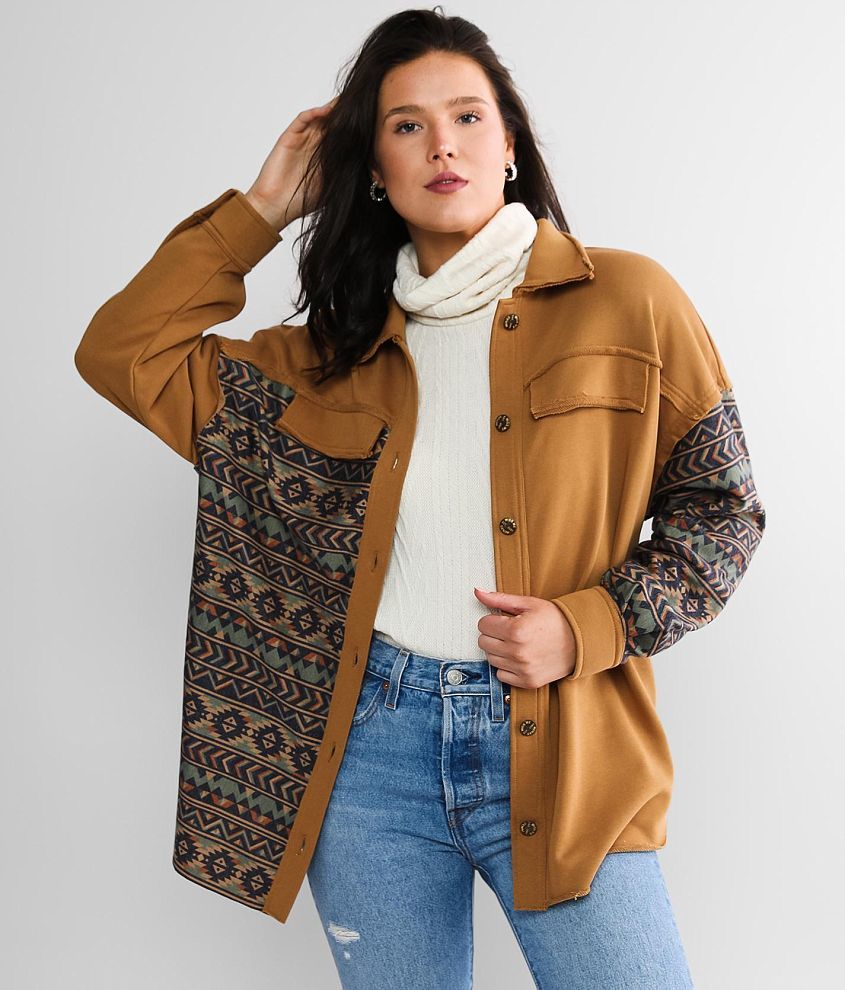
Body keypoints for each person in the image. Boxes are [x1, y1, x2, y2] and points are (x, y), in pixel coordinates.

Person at [75, 7, 765, 989]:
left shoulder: (629, 300)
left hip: (571, 747)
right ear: (372, 169)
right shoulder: (322, 361)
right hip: (369, 757)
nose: (442, 144)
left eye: (467, 117)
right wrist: (264, 208)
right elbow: (122, 352)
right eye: (406, 125)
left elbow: (722, 508)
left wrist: (589, 626)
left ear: (510, 145)